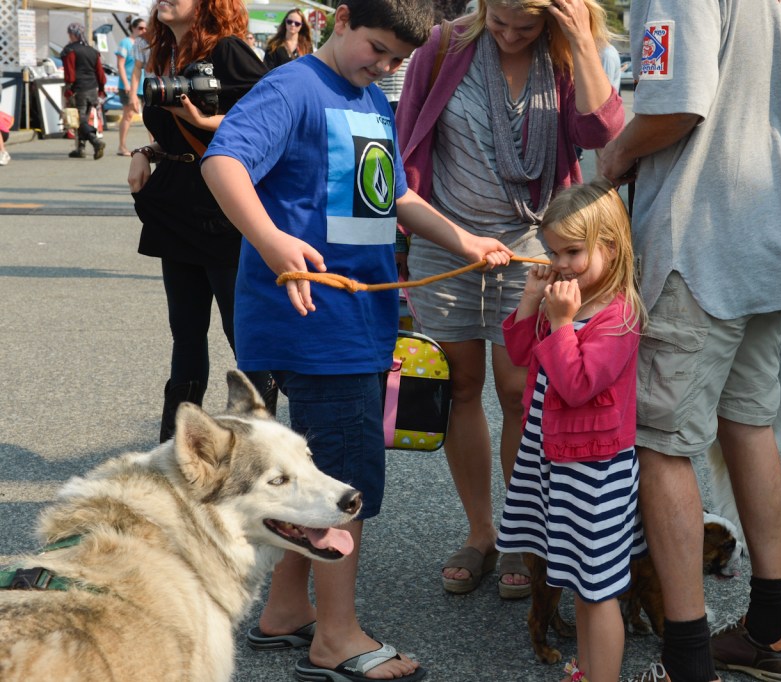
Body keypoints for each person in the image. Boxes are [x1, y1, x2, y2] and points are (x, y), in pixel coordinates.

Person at [200, 1, 513, 680]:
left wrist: (462, 239)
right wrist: (275, 241)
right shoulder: (293, 87)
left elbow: (393, 195)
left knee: (321, 472)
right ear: (340, 20)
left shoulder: (371, 99)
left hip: (358, 324)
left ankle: (287, 609)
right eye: (377, 48)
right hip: (317, 327)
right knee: (345, 482)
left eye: (399, 59)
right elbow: (223, 162)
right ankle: (336, 637)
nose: (387, 65)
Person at [599, 0, 781, 678]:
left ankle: (687, 654)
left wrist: (614, 154)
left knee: (659, 442)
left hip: (700, 238)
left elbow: (679, 105)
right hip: (770, 226)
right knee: (746, 423)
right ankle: (769, 627)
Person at [395, 0, 624, 599]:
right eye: (499, 21)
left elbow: (601, 130)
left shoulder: (568, 55)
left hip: (533, 242)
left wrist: (577, 42)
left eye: (526, 26)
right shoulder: (444, 45)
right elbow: (404, 143)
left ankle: (525, 537)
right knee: (462, 388)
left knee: (521, 391)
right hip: (446, 239)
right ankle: (481, 533)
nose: (510, 35)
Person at [497, 180, 646, 682]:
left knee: (598, 586)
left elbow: (578, 384)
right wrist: (530, 303)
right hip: (553, 460)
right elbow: (521, 356)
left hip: (595, 471)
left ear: (610, 245)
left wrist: (561, 325)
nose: (559, 264)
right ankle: (587, 667)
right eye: (553, 252)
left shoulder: (617, 315)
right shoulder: (569, 302)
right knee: (574, 574)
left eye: (573, 252)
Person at [126, 0, 276, 442]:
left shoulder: (228, 50)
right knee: (185, 335)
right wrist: (145, 151)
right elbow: (165, 126)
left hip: (221, 206)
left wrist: (207, 120)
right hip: (174, 204)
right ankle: (174, 449)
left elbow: (273, 116)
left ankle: (263, 444)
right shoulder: (164, 52)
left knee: (241, 334)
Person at [60, 22, 106, 160]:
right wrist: (101, 90)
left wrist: (68, 90)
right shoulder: (92, 51)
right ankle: (80, 148)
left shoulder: (70, 50)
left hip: (78, 90)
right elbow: (100, 73)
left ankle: (95, 141)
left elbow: (70, 74)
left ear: (73, 34)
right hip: (92, 89)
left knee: (80, 121)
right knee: (83, 119)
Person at [115, 17, 147, 156]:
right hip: (128, 84)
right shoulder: (125, 43)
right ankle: (122, 146)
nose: (143, 30)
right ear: (133, 28)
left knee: (150, 115)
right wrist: (126, 83)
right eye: (140, 28)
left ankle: (155, 146)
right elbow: (120, 65)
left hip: (144, 84)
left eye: (145, 28)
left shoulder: (144, 43)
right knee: (128, 115)